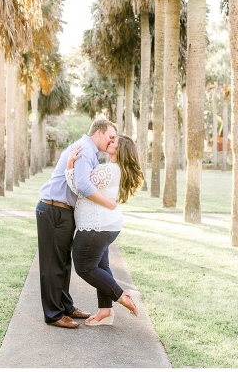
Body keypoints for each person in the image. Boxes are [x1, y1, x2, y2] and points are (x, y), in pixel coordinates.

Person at [36, 119, 119, 329]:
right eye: (110, 137)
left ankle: (66, 307)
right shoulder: (84, 149)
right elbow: (82, 184)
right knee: (52, 265)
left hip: (63, 211)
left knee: (63, 264)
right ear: (98, 133)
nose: (111, 141)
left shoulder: (91, 152)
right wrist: (108, 203)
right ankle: (54, 314)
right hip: (54, 209)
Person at [65, 134, 145, 326]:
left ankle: (121, 295)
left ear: (120, 149)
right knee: (101, 267)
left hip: (97, 226)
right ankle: (105, 311)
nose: (109, 142)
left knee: (84, 267)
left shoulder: (107, 170)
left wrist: (69, 166)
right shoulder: (117, 170)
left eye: (113, 142)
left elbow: (80, 187)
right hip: (107, 226)